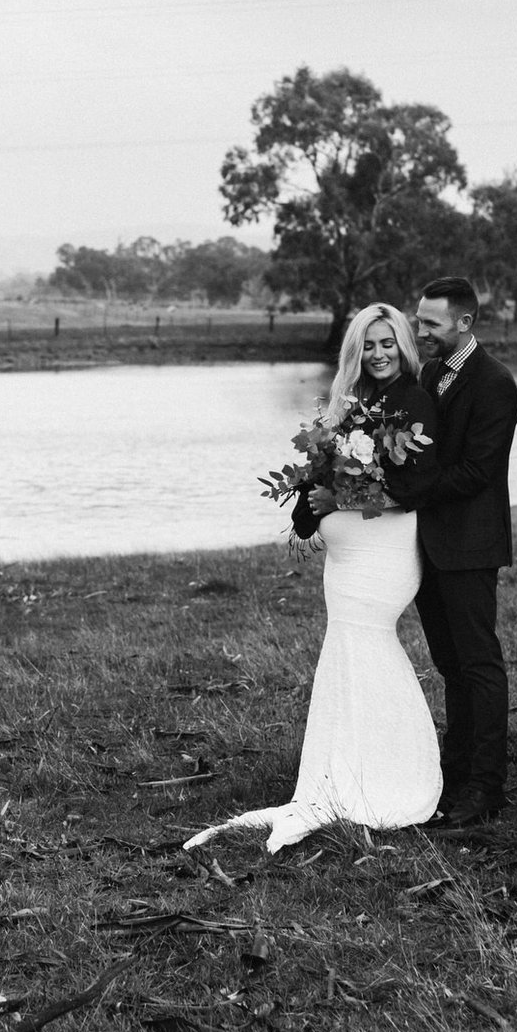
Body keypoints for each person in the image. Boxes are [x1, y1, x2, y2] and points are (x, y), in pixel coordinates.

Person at [185, 303, 442, 852]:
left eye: (388, 343)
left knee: (370, 644)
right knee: (346, 652)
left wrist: (340, 494)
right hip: (345, 563)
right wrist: (312, 502)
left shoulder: (413, 401)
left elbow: (416, 487)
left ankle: (397, 775)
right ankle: (342, 767)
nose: (378, 354)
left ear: (403, 346)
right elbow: (308, 506)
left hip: (385, 556)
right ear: (355, 350)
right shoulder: (348, 406)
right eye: (368, 345)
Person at [389, 275, 517, 828]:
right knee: (449, 666)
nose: (420, 332)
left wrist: (409, 489)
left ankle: (486, 786)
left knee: (479, 664)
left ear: (464, 323)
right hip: (429, 548)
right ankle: (454, 768)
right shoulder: (430, 374)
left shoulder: (494, 384)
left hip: (469, 546)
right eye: (419, 321)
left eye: (431, 324)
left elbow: (475, 471)